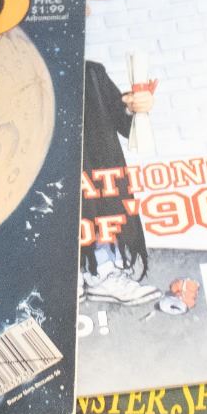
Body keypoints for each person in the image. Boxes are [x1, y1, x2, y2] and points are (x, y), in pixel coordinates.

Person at [79, 60, 158, 305]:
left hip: (94, 167)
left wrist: (135, 107)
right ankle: (67, 279)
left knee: (103, 201)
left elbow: (124, 122)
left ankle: (101, 272)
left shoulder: (91, 72)